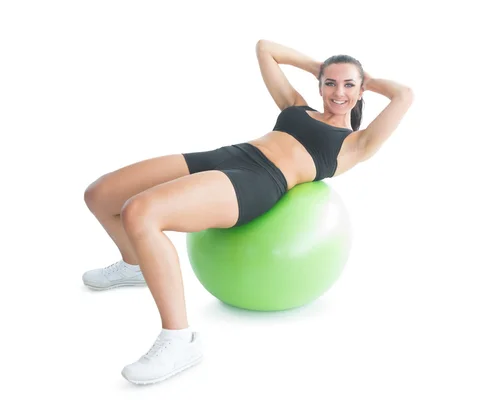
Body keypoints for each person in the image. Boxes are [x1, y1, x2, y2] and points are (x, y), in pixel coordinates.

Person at [82, 39, 414, 385]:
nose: (338, 91)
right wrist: (321, 66)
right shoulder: (296, 108)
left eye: (349, 84)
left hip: (257, 182)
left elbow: (404, 94)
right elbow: (265, 48)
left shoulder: (356, 144)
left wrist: (366, 78)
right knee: (100, 195)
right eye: (330, 82)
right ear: (320, 85)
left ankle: (179, 339)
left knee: (140, 213)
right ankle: (135, 264)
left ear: (361, 91)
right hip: (228, 155)